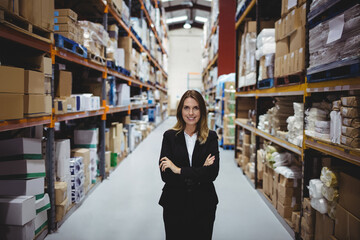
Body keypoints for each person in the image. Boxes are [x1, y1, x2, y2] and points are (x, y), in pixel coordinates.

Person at [159, 90, 220, 240]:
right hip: (175, 203)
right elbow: (166, 175)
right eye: (186, 108)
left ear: (202, 111)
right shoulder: (169, 137)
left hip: (204, 204)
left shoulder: (211, 137)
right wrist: (199, 172)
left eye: (196, 108)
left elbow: (212, 173)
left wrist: (178, 169)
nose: (191, 113)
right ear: (181, 110)